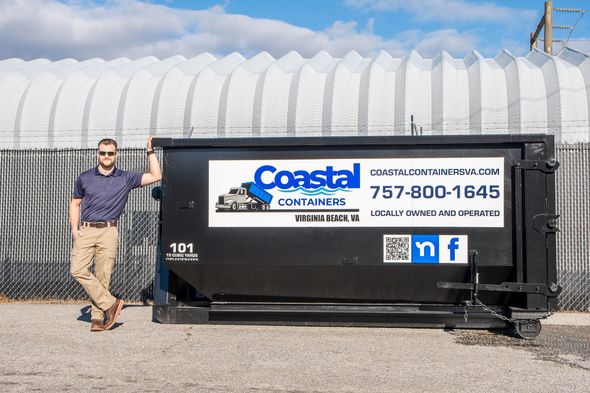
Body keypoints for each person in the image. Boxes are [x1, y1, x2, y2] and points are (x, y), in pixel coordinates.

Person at [69, 137, 161, 332]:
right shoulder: (84, 177)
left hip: (109, 232)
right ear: (97, 154)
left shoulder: (125, 178)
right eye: (103, 152)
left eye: (110, 153)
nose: (106, 156)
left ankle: (97, 317)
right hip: (86, 230)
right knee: (77, 269)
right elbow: (75, 203)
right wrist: (74, 229)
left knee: (103, 276)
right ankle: (111, 303)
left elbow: (156, 176)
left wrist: (150, 152)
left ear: (116, 155)